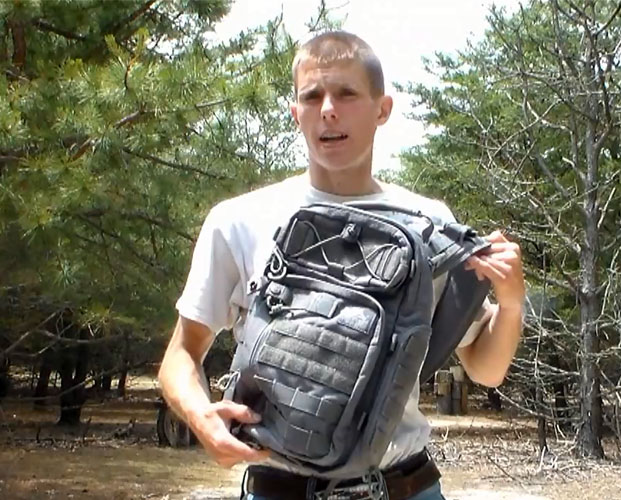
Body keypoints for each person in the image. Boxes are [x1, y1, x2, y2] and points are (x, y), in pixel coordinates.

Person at [158, 31, 525, 500]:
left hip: (405, 487)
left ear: (382, 109)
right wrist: (200, 417)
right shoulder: (238, 220)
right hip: (278, 488)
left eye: (346, 93)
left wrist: (511, 304)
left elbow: (485, 369)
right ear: (296, 114)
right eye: (312, 96)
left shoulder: (430, 223)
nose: (328, 109)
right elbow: (181, 353)